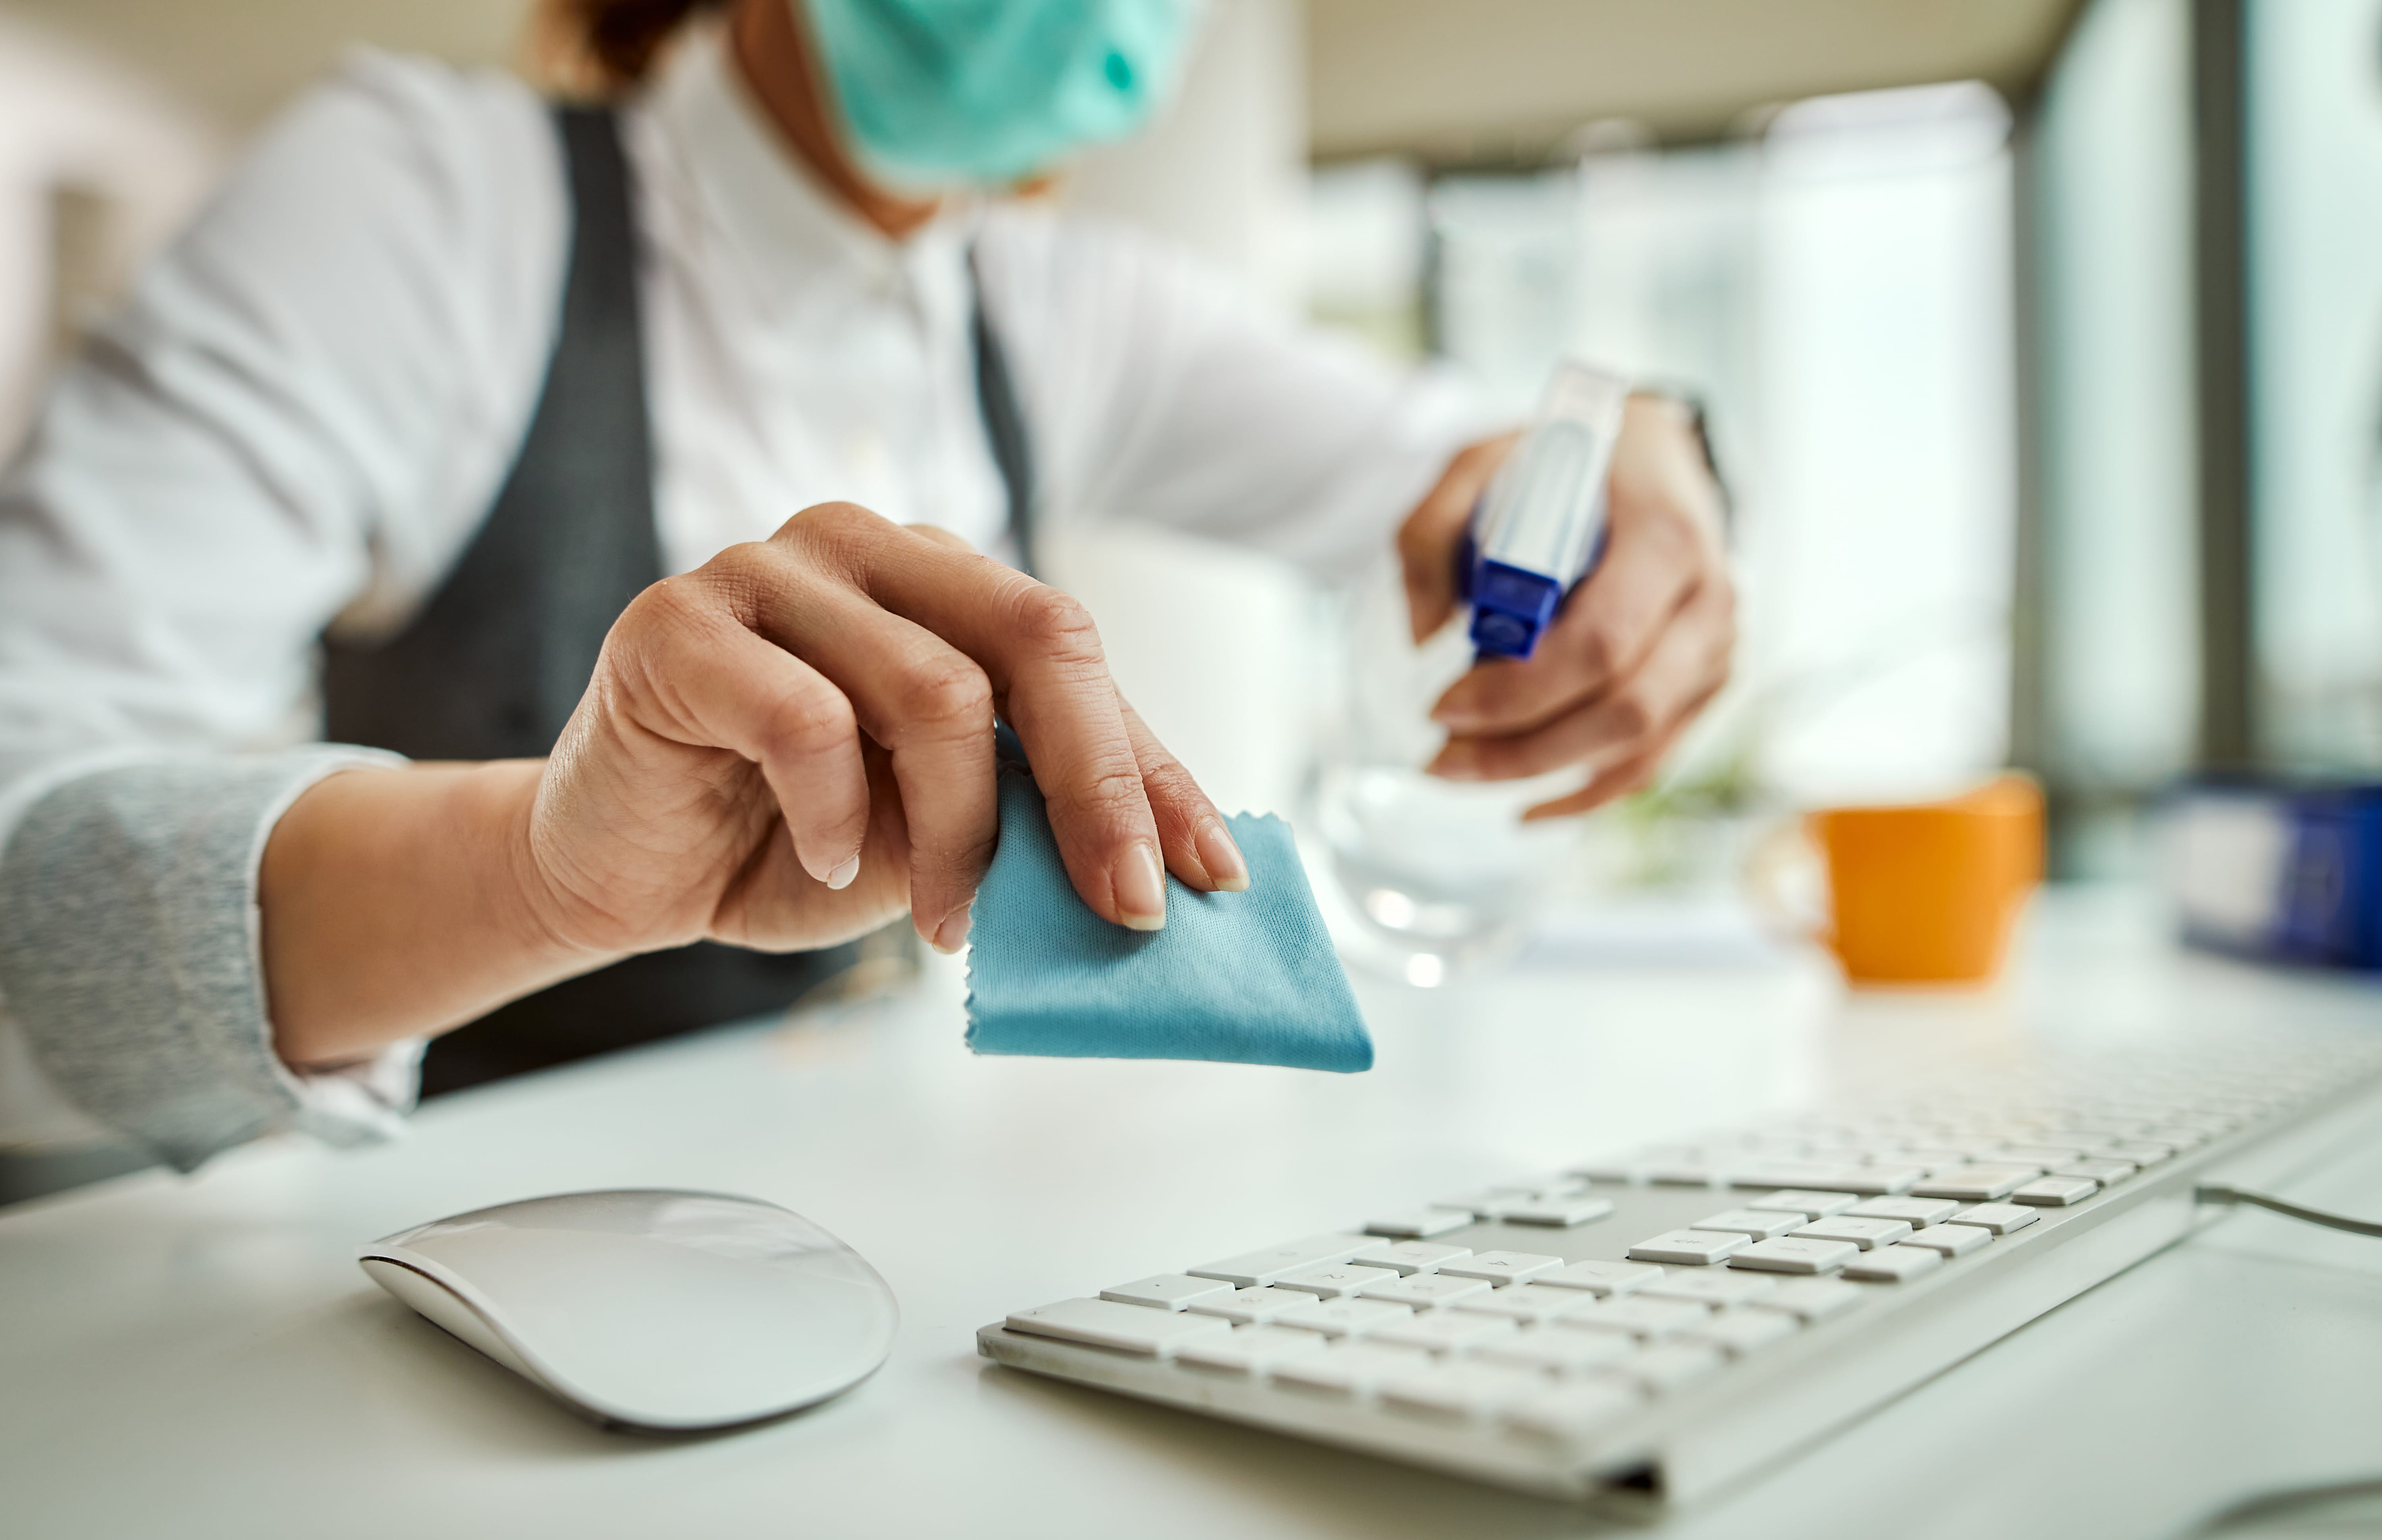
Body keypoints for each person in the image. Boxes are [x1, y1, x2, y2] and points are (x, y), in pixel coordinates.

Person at [0, 0, 1733, 1176]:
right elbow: (25, 917)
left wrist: (1630, 446)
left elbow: (1455, 470)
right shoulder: (420, 206)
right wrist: (544, 872)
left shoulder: (1063, 309)